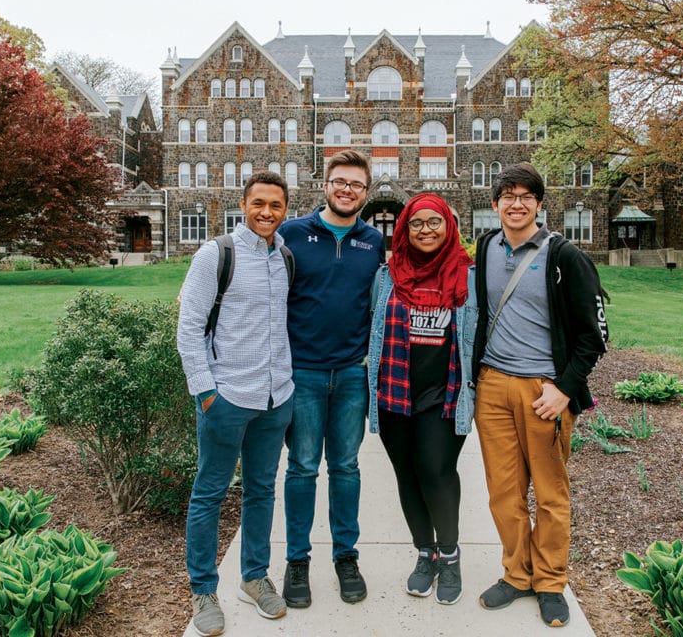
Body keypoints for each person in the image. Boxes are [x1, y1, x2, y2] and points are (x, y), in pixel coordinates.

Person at [472, 163, 608, 627]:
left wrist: (565, 390)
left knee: (550, 494)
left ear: (539, 204)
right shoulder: (487, 247)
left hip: (543, 392)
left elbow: (596, 336)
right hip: (492, 386)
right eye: (507, 195)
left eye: (526, 196)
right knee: (503, 493)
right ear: (495, 205)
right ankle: (517, 573)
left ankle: (551, 581)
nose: (516, 203)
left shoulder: (564, 256)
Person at [176, 170, 295, 637]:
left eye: (276, 205)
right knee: (209, 492)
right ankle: (203, 589)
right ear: (243, 204)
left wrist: (281, 389)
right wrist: (206, 392)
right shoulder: (216, 255)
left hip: (275, 398)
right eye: (259, 203)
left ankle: (253, 576)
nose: (267, 212)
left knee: (262, 491)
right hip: (227, 397)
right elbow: (189, 328)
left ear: (286, 210)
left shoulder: (284, 257)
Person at [278, 149, 385, 607]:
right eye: (339, 182)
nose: (347, 190)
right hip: (301, 372)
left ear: (366, 192)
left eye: (356, 185)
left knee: (346, 467)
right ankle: (297, 561)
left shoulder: (373, 241)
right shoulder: (292, 234)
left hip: (351, 375)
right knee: (302, 467)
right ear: (325, 184)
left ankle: (346, 556)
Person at [366, 193, 476, 606]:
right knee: (407, 475)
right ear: (404, 230)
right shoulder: (387, 276)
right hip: (395, 390)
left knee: (436, 471)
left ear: (449, 226)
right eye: (416, 223)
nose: (425, 230)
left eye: (434, 222)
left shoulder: (469, 275)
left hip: (444, 394)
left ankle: (449, 555)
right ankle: (424, 553)